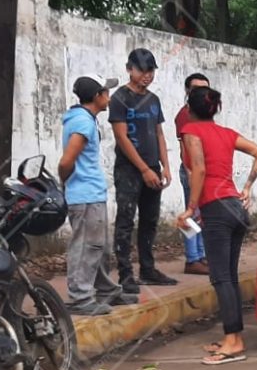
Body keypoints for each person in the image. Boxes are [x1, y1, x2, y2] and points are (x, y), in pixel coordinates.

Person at [176, 86, 257, 365]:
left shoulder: (191, 131)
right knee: (228, 275)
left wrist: (191, 207)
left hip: (216, 210)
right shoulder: (227, 133)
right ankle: (233, 335)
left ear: (189, 109)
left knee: (220, 277)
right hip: (236, 208)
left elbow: (200, 169)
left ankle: (233, 341)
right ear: (215, 109)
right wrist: (248, 187)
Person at [58, 75, 139, 316]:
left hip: (90, 193)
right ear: (96, 97)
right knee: (87, 246)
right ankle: (80, 297)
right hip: (85, 195)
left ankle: (105, 290)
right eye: (106, 93)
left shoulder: (84, 119)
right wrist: (67, 181)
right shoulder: (83, 122)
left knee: (99, 246)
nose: (109, 97)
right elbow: (66, 161)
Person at [110, 48, 177, 294]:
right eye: (141, 70)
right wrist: (143, 169)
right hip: (129, 170)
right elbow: (121, 137)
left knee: (150, 220)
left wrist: (165, 167)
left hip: (153, 169)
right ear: (130, 69)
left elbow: (159, 133)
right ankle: (125, 274)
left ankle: (148, 269)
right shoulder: (119, 98)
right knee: (125, 220)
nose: (147, 75)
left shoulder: (154, 100)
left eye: (151, 70)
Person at [175, 72, 210, 275]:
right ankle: (192, 258)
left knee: (200, 214)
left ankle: (200, 255)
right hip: (191, 169)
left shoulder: (201, 114)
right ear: (188, 91)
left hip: (201, 169)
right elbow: (184, 148)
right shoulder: (184, 115)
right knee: (191, 214)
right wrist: (189, 171)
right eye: (197, 89)